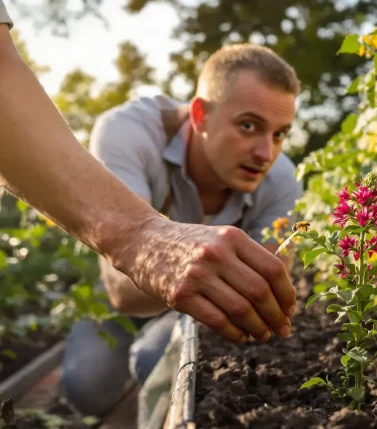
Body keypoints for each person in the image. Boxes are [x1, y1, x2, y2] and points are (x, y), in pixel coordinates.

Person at [0, 1, 298, 415]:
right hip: (126, 292)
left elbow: (266, 294)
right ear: (200, 114)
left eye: (281, 134)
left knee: (159, 363)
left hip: (202, 311)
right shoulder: (130, 131)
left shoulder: (282, 178)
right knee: (86, 388)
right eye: (248, 125)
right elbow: (123, 291)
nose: (266, 152)